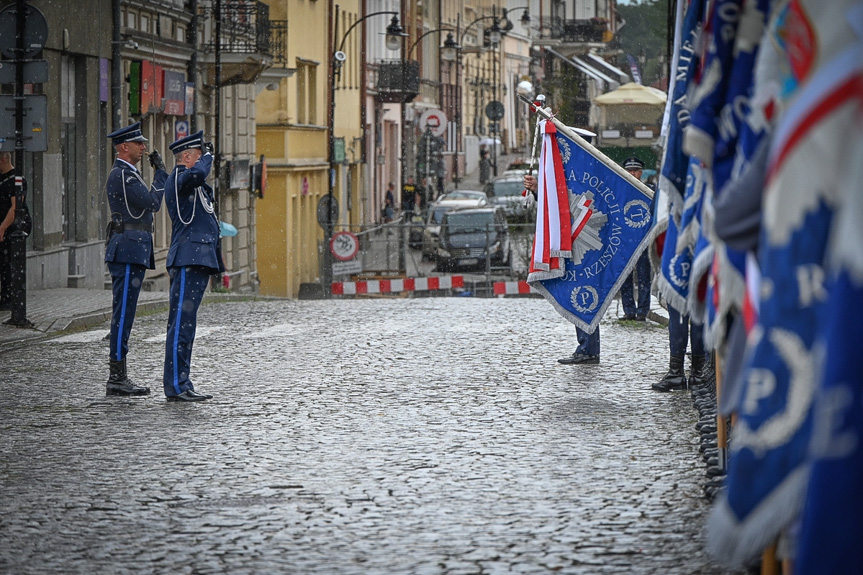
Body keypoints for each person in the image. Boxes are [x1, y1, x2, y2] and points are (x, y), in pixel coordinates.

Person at [103, 123, 168, 396]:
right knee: (123, 314)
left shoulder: (130, 174)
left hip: (133, 249)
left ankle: (119, 375)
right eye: (138, 143)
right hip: (128, 249)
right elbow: (152, 203)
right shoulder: (123, 176)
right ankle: (117, 377)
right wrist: (162, 174)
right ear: (123, 147)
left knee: (126, 313)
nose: (144, 147)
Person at [162, 130, 224, 402]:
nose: (203, 162)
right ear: (186, 157)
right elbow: (198, 174)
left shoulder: (193, 183)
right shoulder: (179, 178)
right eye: (197, 156)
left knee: (187, 326)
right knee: (180, 325)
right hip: (188, 259)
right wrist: (208, 156)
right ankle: (175, 385)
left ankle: (182, 382)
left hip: (197, 259)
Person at [523, 171, 600, 365]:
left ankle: (589, 349)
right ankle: (586, 346)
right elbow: (558, 204)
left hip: (585, 243)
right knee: (578, 295)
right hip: (573, 242)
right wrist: (538, 190)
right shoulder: (571, 172)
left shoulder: (585, 171)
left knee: (583, 295)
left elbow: (567, 204)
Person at [619, 156, 652, 321]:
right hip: (625, 239)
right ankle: (629, 310)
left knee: (644, 276)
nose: (632, 174)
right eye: (629, 170)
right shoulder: (620, 190)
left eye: (635, 171)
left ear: (641, 172)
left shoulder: (650, 190)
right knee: (625, 277)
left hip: (644, 239)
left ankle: (643, 311)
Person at [0, 151, 17, 311]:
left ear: (4, 160)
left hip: (9, 230)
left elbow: (15, 207)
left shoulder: (15, 179)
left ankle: (8, 299)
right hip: (5, 229)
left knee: (7, 264)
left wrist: (3, 227)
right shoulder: (3, 180)